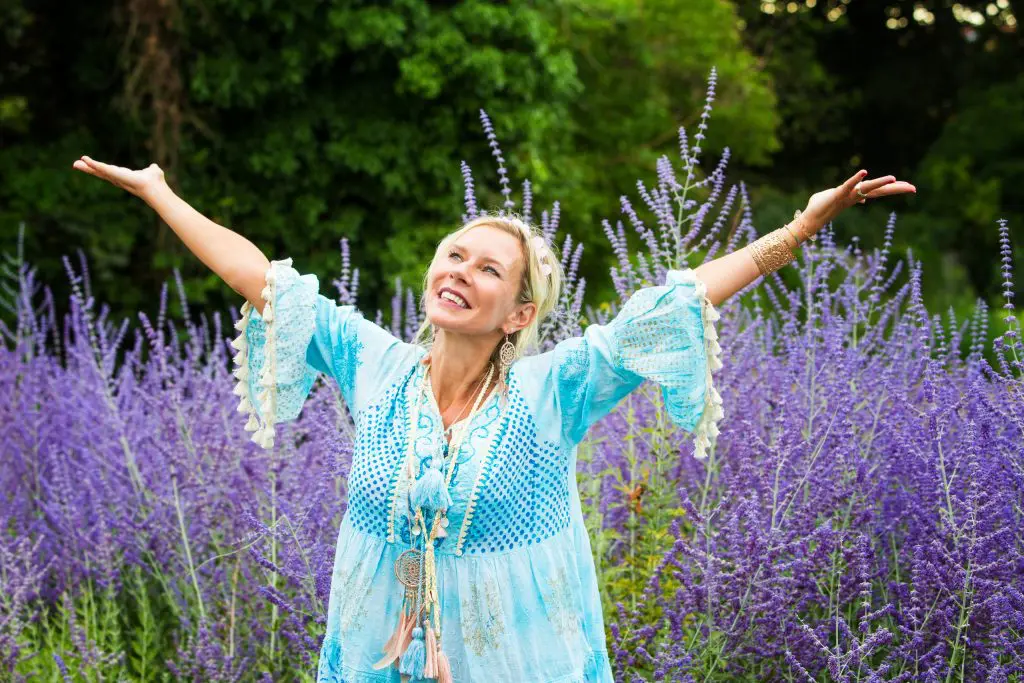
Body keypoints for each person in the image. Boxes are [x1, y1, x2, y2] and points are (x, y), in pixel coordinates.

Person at [72, 155, 915, 681]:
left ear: (517, 313)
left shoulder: (555, 392)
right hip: (378, 658)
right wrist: (160, 194)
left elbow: (679, 300)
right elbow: (260, 279)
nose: (461, 270)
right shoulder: (374, 364)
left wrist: (800, 228)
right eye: (453, 254)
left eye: (488, 268)